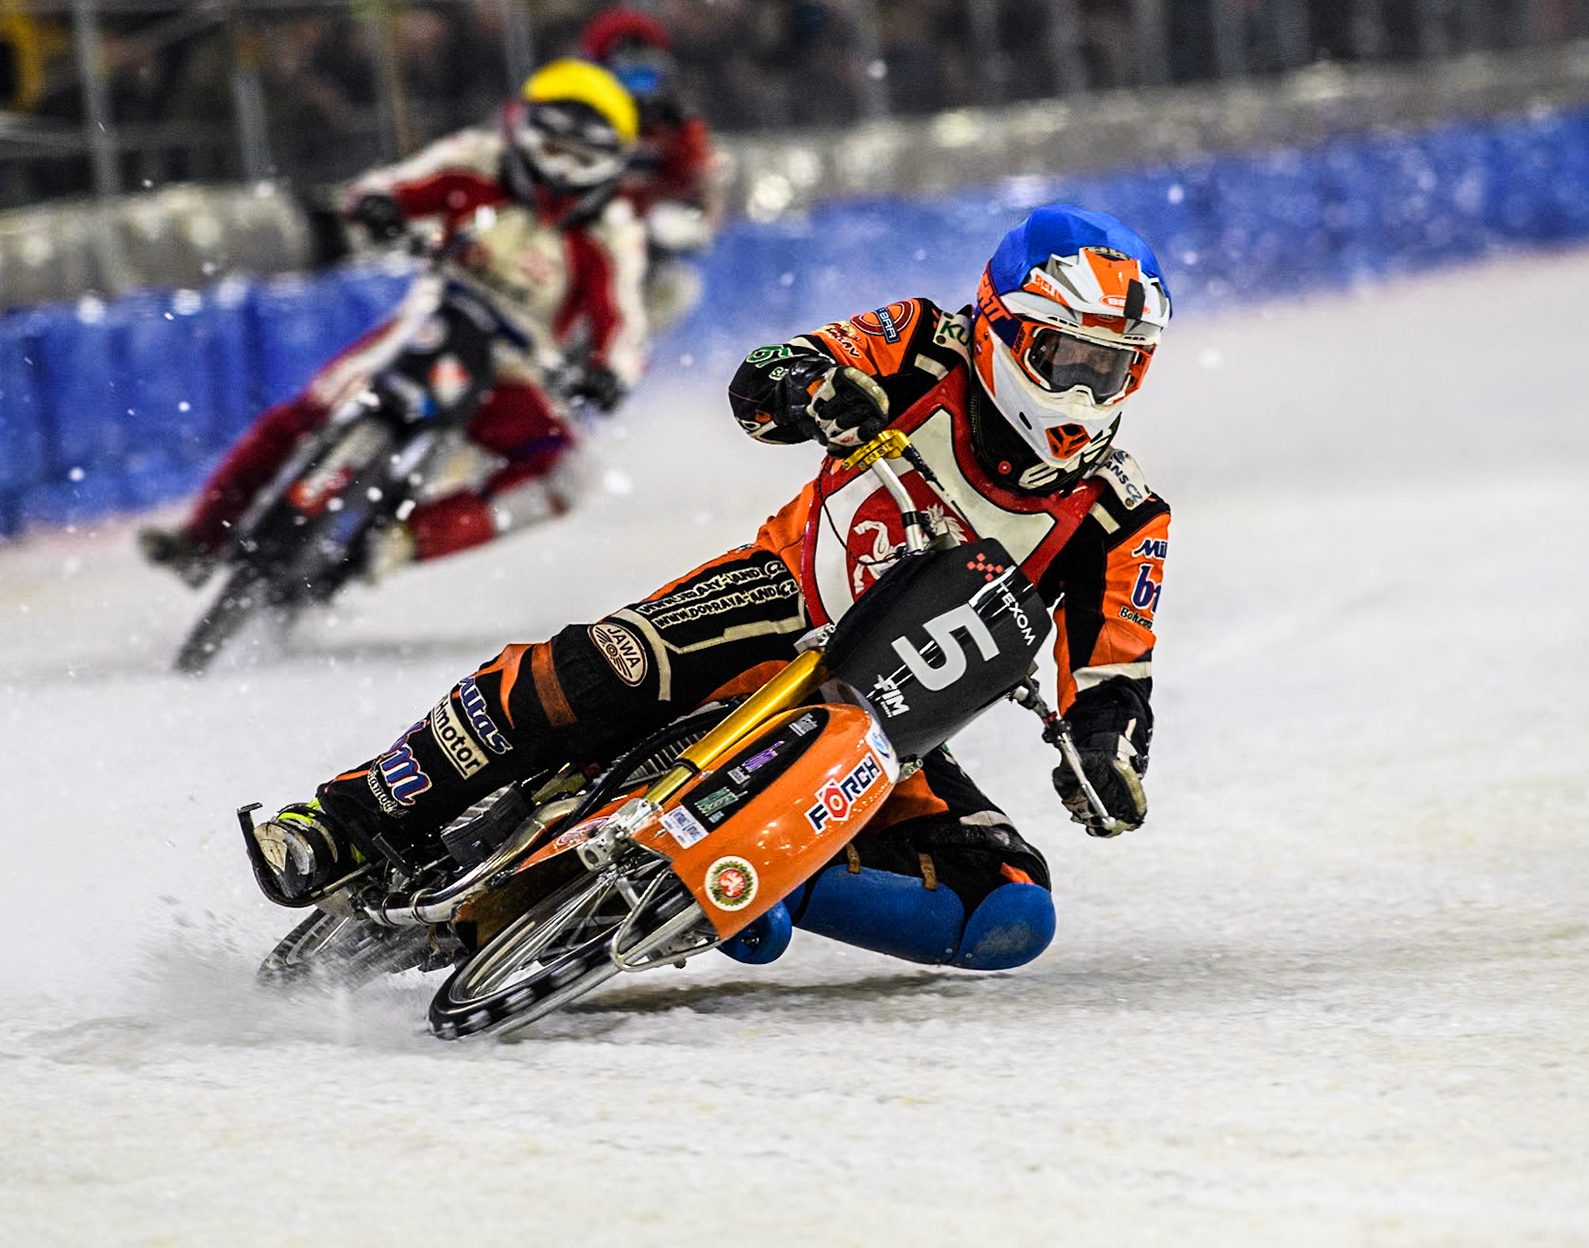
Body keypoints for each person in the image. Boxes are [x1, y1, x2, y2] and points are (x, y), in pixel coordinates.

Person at [251, 204, 1173, 975]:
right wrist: (818, 389)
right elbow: (766, 378)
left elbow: (1114, 680)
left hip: (889, 718)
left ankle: (751, 873)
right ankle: (346, 819)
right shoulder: (924, 344)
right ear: (1004, 330)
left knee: (1009, 911)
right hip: (778, 599)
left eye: (1117, 366)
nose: (1091, 390)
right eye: (1071, 359)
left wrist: (1107, 758)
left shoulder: (1125, 515)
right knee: (594, 671)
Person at [141, 57, 649, 584]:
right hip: (433, 318)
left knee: (570, 473)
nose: (561, 170)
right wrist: (375, 207)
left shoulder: (611, 233)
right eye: (553, 147)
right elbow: (382, 189)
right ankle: (202, 538)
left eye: (579, 156)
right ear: (523, 128)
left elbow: (622, 324)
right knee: (310, 410)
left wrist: (610, 374)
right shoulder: (474, 160)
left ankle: (403, 543)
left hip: (514, 367)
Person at [578, 6, 720, 333]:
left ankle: (623, 353)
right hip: (583, 241)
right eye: (629, 74)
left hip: (645, 249)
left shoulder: (678, 125)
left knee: (677, 287)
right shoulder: (579, 115)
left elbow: (703, 189)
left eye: (649, 73)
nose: (640, 86)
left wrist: (688, 223)